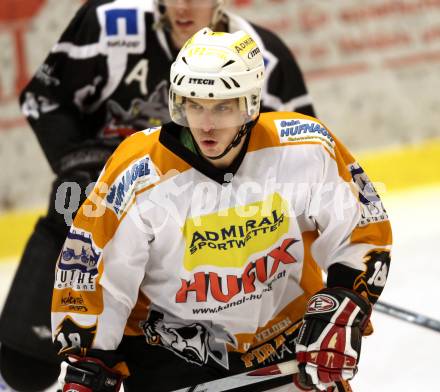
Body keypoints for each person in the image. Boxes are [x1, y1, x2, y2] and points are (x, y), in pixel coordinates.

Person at [51, 28, 392, 392]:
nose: (206, 125)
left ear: (250, 103)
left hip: (288, 351)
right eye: (193, 105)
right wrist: (89, 362)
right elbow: (94, 271)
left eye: (222, 106)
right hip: (173, 361)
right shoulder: (137, 171)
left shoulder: (304, 147)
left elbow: (362, 229)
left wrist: (344, 299)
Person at [0, 1, 316, 390]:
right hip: (89, 211)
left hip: (200, 244)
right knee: (22, 366)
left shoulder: (261, 56)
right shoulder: (110, 24)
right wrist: (78, 162)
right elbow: (43, 98)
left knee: (174, 369)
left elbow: (303, 163)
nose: (182, 6)